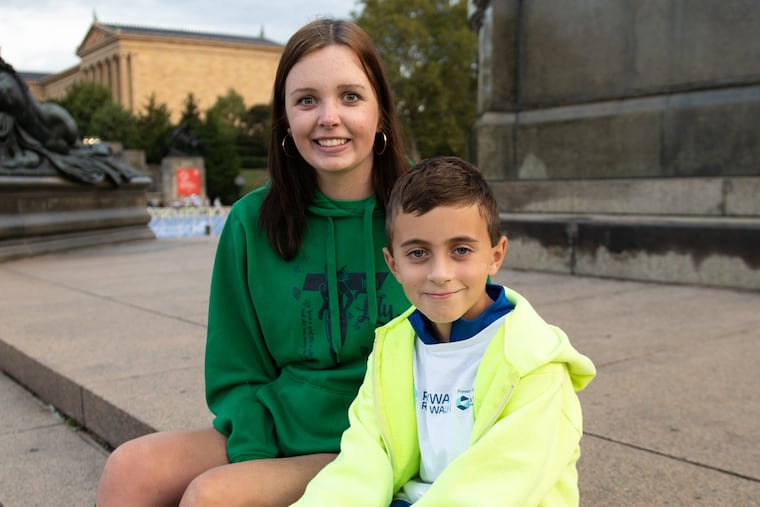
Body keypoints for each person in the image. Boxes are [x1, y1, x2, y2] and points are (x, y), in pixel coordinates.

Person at [95, 18, 410, 507]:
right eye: (307, 100)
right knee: (131, 469)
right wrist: (258, 455)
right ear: (285, 119)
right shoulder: (250, 221)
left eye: (350, 96)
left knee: (211, 496)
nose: (328, 117)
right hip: (283, 427)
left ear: (381, 111)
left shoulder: (423, 213)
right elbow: (236, 368)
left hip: (385, 439)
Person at [292, 156, 597, 506]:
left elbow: (499, 488)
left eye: (461, 250)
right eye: (419, 253)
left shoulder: (534, 363)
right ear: (394, 264)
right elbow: (363, 460)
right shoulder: (392, 349)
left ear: (496, 255)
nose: (440, 272)